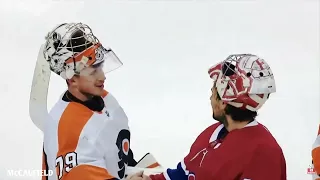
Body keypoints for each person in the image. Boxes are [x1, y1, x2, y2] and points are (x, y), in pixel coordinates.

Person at [148, 54, 287, 180]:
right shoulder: (213, 133)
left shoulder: (263, 153)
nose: (210, 97)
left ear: (222, 102)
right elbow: (183, 175)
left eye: (213, 91)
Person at [41, 22, 148, 180]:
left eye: (101, 67)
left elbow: (120, 158)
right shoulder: (67, 127)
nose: (102, 76)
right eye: (93, 71)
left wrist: (134, 172)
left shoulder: (106, 100)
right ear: (72, 79)